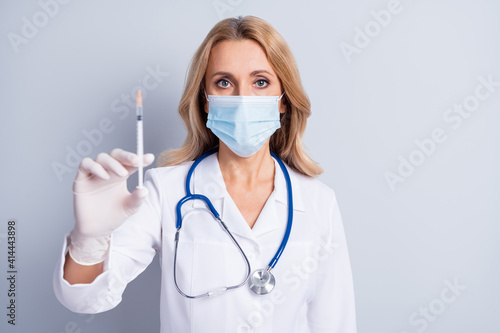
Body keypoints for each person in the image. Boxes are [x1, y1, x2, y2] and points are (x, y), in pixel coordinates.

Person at [53, 15, 357, 333]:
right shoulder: (164, 190)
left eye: (261, 82)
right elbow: (86, 300)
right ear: (205, 101)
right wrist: (90, 240)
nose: (242, 99)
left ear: (283, 101)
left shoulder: (319, 202)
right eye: (224, 82)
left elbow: (335, 321)